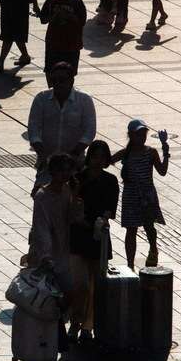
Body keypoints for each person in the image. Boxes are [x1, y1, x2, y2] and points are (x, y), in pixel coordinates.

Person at [23, 153, 77, 340]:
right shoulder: (42, 196)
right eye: (61, 170)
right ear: (52, 172)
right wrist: (45, 255)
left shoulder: (68, 191)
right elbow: (41, 227)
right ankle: (52, 332)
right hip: (47, 256)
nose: (65, 174)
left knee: (69, 292)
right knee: (48, 295)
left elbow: (72, 218)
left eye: (68, 170)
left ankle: (58, 322)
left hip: (64, 250)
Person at [67, 140, 118, 342]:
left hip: (98, 236)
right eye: (95, 156)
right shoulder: (78, 178)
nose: (98, 160)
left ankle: (88, 326)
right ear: (89, 157)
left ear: (106, 160)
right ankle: (75, 321)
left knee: (95, 284)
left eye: (102, 157)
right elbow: (71, 203)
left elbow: (111, 208)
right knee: (79, 283)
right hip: (78, 235)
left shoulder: (110, 181)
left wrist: (103, 218)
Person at [27, 62, 96, 189]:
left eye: (62, 80)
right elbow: (33, 129)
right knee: (42, 199)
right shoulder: (41, 99)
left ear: (71, 80)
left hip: (75, 165)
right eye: (54, 80)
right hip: (47, 166)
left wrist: (73, 155)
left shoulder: (84, 100)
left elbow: (89, 131)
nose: (58, 83)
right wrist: (44, 155)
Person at [111, 120, 169, 269]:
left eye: (144, 134)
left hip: (147, 196)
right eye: (138, 134)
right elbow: (107, 161)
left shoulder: (151, 152)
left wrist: (165, 150)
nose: (142, 137)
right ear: (131, 135)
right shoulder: (126, 153)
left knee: (149, 226)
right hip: (131, 196)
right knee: (131, 230)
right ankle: (130, 263)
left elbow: (162, 171)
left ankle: (153, 249)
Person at [39, 0, 87, 72]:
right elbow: (43, 19)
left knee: (69, 70)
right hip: (54, 42)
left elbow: (82, 21)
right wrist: (54, 16)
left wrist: (69, 16)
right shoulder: (51, 0)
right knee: (51, 69)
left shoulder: (76, 1)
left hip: (71, 43)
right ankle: (53, 86)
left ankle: (67, 86)